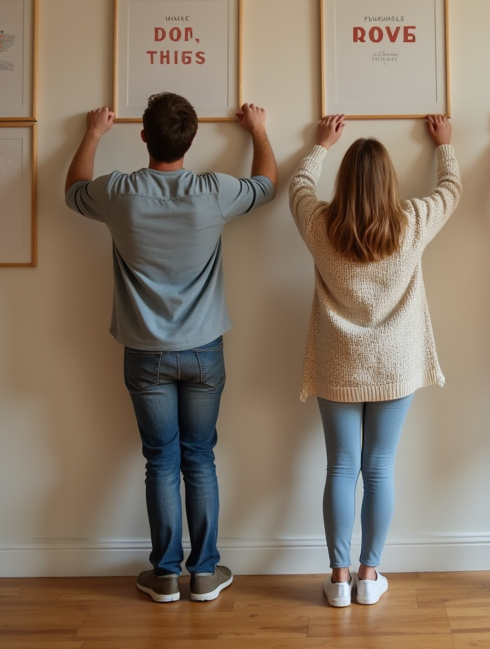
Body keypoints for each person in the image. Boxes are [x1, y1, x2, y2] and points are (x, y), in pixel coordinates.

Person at [64, 93, 277, 603]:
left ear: (143, 137)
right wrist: (258, 131)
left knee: (160, 460)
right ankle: (203, 574)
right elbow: (268, 184)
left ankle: (164, 576)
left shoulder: (119, 191)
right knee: (199, 458)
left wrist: (93, 133)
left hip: (145, 354)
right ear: (192, 139)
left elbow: (72, 191)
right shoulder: (213, 191)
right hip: (204, 350)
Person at [289, 113, 460, 607]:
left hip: (337, 363)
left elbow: (298, 185)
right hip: (395, 365)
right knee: (379, 468)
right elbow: (451, 188)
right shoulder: (411, 222)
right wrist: (444, 145)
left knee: (341, 467)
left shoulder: (320, 224)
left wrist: (321, 144)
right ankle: (369, 575)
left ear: (343, 182)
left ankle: (339, 579)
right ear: (391, 183)